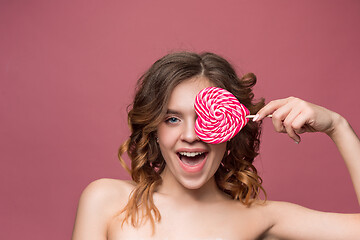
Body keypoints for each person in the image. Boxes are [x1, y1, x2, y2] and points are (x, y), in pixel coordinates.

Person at [72, 52, 360, 240]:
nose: (190, 134)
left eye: (206, 119)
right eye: (172, 118)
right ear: (154, 129)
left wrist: (338, 127)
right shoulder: (106, 201)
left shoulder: (262, 218)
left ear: (230, 128)